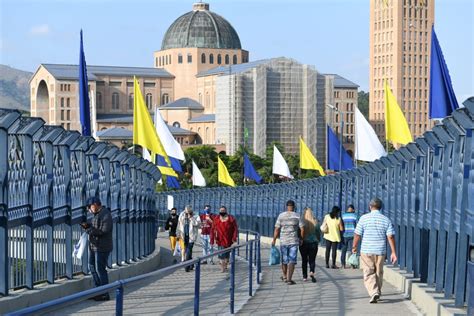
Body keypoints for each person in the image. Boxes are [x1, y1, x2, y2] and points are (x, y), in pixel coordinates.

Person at [353, 198, 397, 304]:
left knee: (368, 272)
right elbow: (390, 236)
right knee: (378, 272)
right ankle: (377, 291)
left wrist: (354, 246)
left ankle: (374, 292)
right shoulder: (386, 219)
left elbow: (357, 234)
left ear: (370, 206)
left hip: (367, 250)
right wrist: (393, 252)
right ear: (380, 207)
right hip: (380, 250)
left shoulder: (363, 218)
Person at [81, 197, 113, 301]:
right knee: (91, 267)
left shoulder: (106, 214)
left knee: (100, 269)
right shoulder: (96, 214)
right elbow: (96, 227)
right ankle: (97, 291)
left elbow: (103, 231)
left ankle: (104, 293)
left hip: (102, 247)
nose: (88, 210)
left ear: (95, 204)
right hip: (94, 246)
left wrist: (89, 230)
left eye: (89, 207)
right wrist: (88, 225)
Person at [272, 200, 304, 285]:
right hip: (293, 241)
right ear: (294, 207)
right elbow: (302, 229)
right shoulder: (297, 216)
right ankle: (289, 279)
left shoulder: (281, 216)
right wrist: (301, 239)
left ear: (287, 206)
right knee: (292, 260)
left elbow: (277, 229)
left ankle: (285, 276)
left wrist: (274, 239)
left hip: (283, 241)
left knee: (284, 260)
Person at [210, 206, 238, 273]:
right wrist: (212, 239)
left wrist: (234, 238)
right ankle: (222, 267)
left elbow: (235, 229)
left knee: (227, 254)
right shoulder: (216, 218)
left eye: (223, 210)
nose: (222, 212)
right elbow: (212, 229)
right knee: (221, 253)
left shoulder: (231, 218)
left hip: (229, 239)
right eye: (221, 211)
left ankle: (226, 263)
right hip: (220, 239)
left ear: (226, 211)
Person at [299, 207, 321, 283]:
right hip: (314, 244)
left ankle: (304, 276)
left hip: (304, 243)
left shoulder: (302, 222)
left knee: (304, 260)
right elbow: (318, 233)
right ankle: (311, 272)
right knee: (312, 260)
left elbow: (299, 232)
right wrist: (318, 240)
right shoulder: (315, 222)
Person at [177, 205, 201, 272]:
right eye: (186, 211)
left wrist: (192, 218)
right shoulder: (182, 215)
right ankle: (192, 264)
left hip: (191, 236)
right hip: (183, 235)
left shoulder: (196, 215)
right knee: (187, 250)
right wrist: (178, 234)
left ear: (191, 211)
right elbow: (179, 224)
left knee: (188, 250)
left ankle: (187, 266)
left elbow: (198, 224)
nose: (187, 213)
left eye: (189, 212)